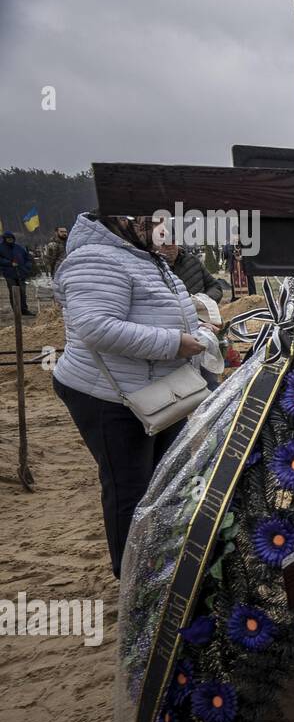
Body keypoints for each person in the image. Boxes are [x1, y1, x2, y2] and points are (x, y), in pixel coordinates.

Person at [52, 212, 207, 578]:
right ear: (122, 220)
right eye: (153, 221)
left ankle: (160, 564)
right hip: (109, 397)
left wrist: (197, 327)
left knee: (164, 480)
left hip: (153, 391)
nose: (163, 230)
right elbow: (97, 328)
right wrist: (173, 342)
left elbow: (161, 309)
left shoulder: (141, 255)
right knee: (130, 488)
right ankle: (134, 579)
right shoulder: (95, 257)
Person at [158, 241, 224, 304]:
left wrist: (206, 300)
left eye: (173, 243)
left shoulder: (193, 261)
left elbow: (215, 286)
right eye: (164, 245)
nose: (170, 248)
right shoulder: (153, 269)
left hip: (200, 313)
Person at [1, 230, 35, 316]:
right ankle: (16, 310)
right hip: (9, 273)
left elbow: (28, 258)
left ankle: (24, 309)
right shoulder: (1, 248)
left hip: (21, 272)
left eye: (11, 238)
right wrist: (9, 263)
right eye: (8, 239)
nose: (10, 240)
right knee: (13, 291)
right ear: (4, 239)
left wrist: (27, 267)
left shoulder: (19, 248)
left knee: (22, 292)